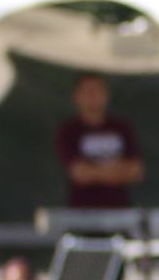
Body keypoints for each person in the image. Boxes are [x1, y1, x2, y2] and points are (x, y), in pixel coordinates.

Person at [56, 73, 144, 211]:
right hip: (82, 213)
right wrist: (117, 170)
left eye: (97, 90)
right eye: (87, 91)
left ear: (106, 95)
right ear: (77, 96)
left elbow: (136, 171)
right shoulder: (69, 130)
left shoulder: (122, 128)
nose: (92, 96)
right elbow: (80, 174)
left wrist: (94, 171)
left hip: (120, 212)